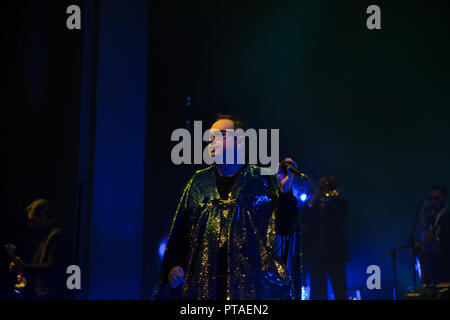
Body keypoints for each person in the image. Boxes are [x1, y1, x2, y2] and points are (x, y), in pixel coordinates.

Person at [153, 114, 299, 300]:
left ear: (240, 141)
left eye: (221, 134)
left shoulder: (261, 180)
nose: (211, 139)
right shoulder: (199, 182)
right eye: (210, 135)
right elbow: (181, 231)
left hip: (250, 289)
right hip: (203, 286)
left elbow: (286, 229)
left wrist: (285, 193)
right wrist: (174, 264)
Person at [5, 199, 70, 299]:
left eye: (33, 220)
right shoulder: (49, 235)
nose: (32, 225)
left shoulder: (56, 235)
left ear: (43, 214)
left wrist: (24, 267)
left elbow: (54, 268)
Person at [301, 176, 349, 300]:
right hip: (316, 254)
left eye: (327, 185)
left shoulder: (339, 203)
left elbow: (342, 218)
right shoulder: (313, 204)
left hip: (335, 253)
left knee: (339, 289)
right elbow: (303, 218)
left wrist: (330, 200)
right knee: (317, 290)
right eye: (322, 185)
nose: (324, 188)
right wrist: (312, 200)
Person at [416, 185, 450, 285]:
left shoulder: (448, 217)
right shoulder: (431, 218)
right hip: (435, 265)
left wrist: (435, 239)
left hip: (446, 263)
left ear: (445, 199)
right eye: (431, 198)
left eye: (436, 198)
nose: (433, 201)